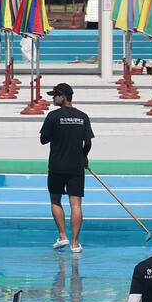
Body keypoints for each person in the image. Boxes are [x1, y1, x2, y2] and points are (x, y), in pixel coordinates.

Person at [40, 83, 93, 253]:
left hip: (57, 166)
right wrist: (84, 156)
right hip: (76, 166)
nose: (52, 99)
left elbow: (43, 140)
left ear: (63, 96)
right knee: (76, 204)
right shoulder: (83, 116)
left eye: (54, 95)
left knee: (55, 200)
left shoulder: (53, 116)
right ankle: (75, 243)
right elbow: (88, 142)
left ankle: (63, 236)